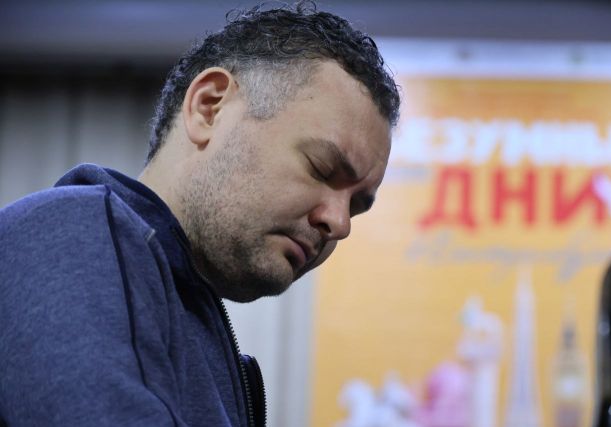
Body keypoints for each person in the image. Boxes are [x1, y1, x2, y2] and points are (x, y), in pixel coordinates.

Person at [0, 1, 400, 426]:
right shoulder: (69, 236)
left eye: (356, 206)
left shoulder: (190, 316)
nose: (339, 224)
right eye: (321, 167)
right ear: (209, 108)